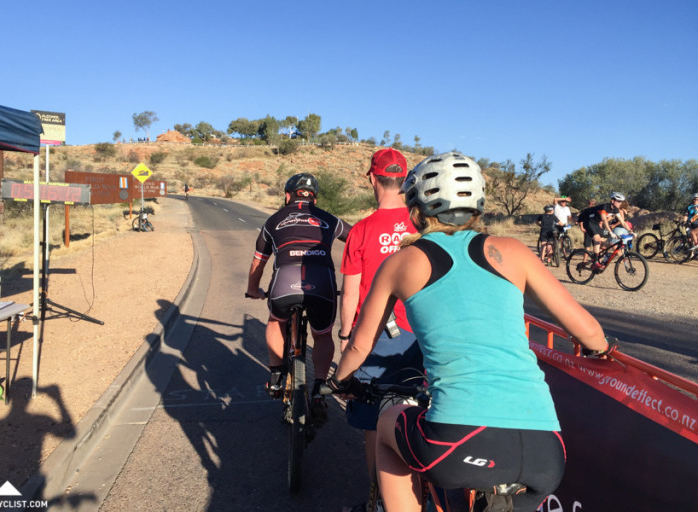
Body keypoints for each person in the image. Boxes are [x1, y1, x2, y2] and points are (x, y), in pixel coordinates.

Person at [328, 152, 610, 512]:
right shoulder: (512, 251)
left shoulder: (402, 261)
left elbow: (360, 343)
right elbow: (589, 332)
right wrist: (600, 351)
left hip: (457, 441)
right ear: (478, 203)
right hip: (545, 452)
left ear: (416, 207)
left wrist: (341, 381)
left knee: (386, 425)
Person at [339, 148, 424, 511]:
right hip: (420, 334)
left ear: (372, 179)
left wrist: (346, 338)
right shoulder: (423, 226)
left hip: (375, 337)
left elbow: (351, 292)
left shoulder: (361, 230)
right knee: (418, 411)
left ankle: (378, 499)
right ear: (404, 181)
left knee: (375, 418)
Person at [246, 173, 350, 425]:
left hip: (285, 281)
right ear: (314, 197)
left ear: (287, 195)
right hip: (322, 283)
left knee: (275, 320)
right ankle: (318, 387)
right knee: (323, 335)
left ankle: (275, 376)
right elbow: (359, 239)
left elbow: (258, 262)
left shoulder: (274, 220)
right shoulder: (329, 219)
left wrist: (253, 289)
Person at [578, 192, 632, 269]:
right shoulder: (604, 207)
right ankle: (595, 263)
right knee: (597, 240)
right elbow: (604, 220)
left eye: (621, 202)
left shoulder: (615, 209)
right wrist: (610, 232)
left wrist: (631, 231)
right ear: (613, 201)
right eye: (619, 201)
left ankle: (599, 256)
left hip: (596, 223)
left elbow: (622, 222)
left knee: (604, 242)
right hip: (588, 221)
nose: (620, 203)